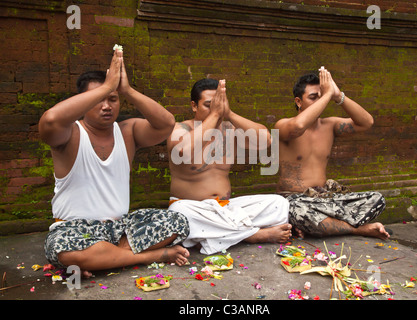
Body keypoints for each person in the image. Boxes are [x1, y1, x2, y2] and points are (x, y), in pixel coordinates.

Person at [39, 48, 190, 277]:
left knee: (177, 221)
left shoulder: (127, 131)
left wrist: (126, 89)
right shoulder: (69, 134)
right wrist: (107, 86)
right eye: (99, 99)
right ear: (83, 102)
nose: (106, 106)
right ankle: (152, 255)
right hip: (76, 230)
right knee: (63, 250)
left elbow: (166, 124)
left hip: (120, 229)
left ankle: (107, 258)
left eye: (112, 99)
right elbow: (49, 119)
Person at [166, 78, 291, 255]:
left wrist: (229, 113)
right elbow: (184, 151)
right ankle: (252, 235)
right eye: (209, 105)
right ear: (194, 106)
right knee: (179, 214)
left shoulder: (229, 129)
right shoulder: (181, 129)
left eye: (218, 105)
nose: (214, 110)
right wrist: (216, 115)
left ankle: (218, 235)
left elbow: (267, 141)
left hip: (226, 208)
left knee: (279, 204)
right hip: (194, 209)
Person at [275, 68, 390, 240]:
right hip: (295, 200)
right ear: (298, 101)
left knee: (377, 199)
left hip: (326, 199)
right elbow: (299, 127)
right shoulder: (283, 125)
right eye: (314, 97)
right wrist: (327, 95)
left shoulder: (331, 125)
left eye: (322, 97)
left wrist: (338, 96)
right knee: (300, 211)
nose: (321, 101)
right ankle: (358, 229)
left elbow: (367, 122)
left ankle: (322, 226)